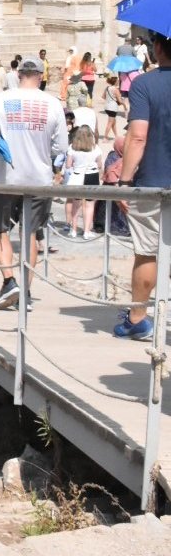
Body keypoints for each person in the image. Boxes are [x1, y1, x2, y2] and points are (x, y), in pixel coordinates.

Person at [0, 56, 68, 310]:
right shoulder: (52, 103)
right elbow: (61, 146)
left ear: (19, 75)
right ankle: (27, 290)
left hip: (7, 177)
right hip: (39, 178)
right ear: (41, 77)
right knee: (30, 233)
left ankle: (9, 282)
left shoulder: (2, 99)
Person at [114, 31, 171, 341]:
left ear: (158, 48)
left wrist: (124, 181)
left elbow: (137, 136)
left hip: (153, 182)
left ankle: (138, 319)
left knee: (147, 253)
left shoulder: (144, 84)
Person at [64, 125, 103, 238]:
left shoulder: (72, 147)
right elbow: (100, 164)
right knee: (90, 205)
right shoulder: (96, 148)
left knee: (76, 204)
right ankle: (86, 231)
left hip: (77, 175)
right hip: (91, 175)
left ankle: (74, 229)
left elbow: (68, 165)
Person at [102, 73, 123, 139]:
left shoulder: (107, 88)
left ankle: (116, 136)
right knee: (110, 122)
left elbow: (103, 96)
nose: (118, 82)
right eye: (117, 81)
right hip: (113, 107)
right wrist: (124, 103)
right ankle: (105, 137)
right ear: (115, 82)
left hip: (107, 107)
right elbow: (120, 101)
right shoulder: (116, 90)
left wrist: (110, 99)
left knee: (113, 122)